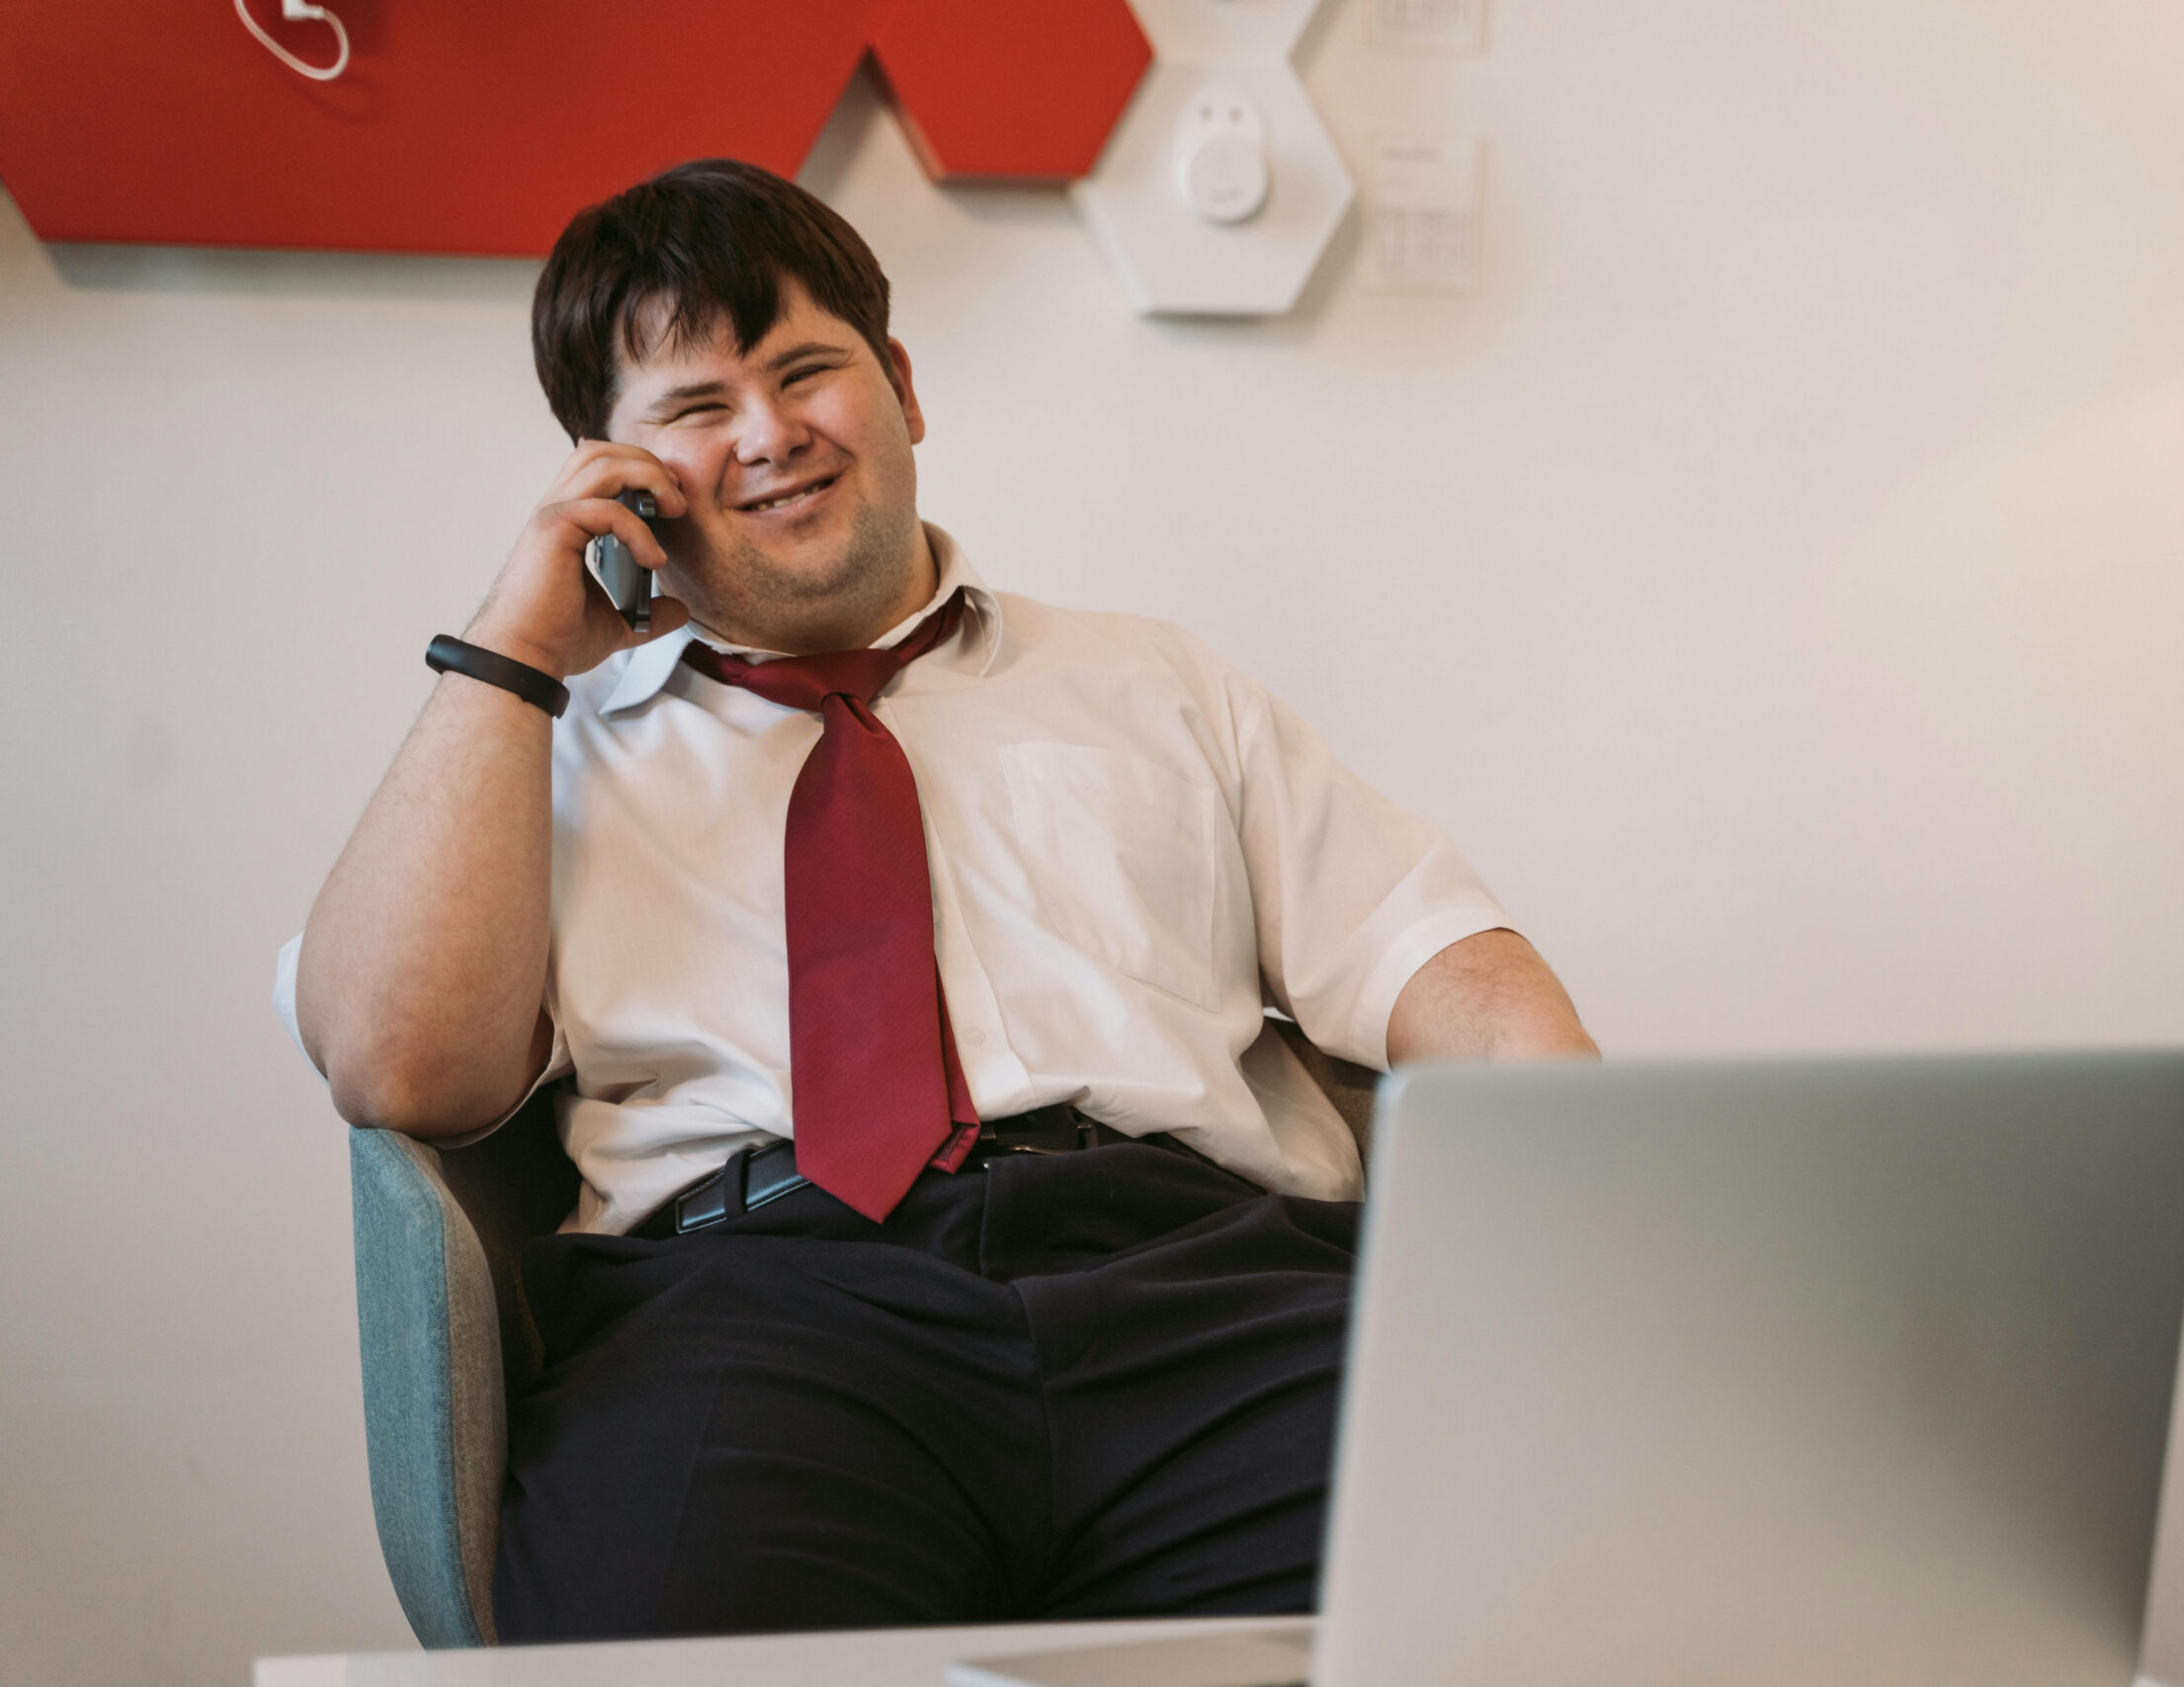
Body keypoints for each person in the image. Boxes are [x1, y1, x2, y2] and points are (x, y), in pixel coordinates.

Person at [276, 157, 1596, 1643]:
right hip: (755, 1323)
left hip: (1208, 1292)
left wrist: (1591, 1221)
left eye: (805, 372)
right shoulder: (528, 759)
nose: (768, 435)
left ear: (900, 385)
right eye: (698, 410)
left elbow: (1443, 966)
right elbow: (401, 1070)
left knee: (1549, 1593)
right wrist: (512, 652)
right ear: (607, 471)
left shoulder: (1153, 684)